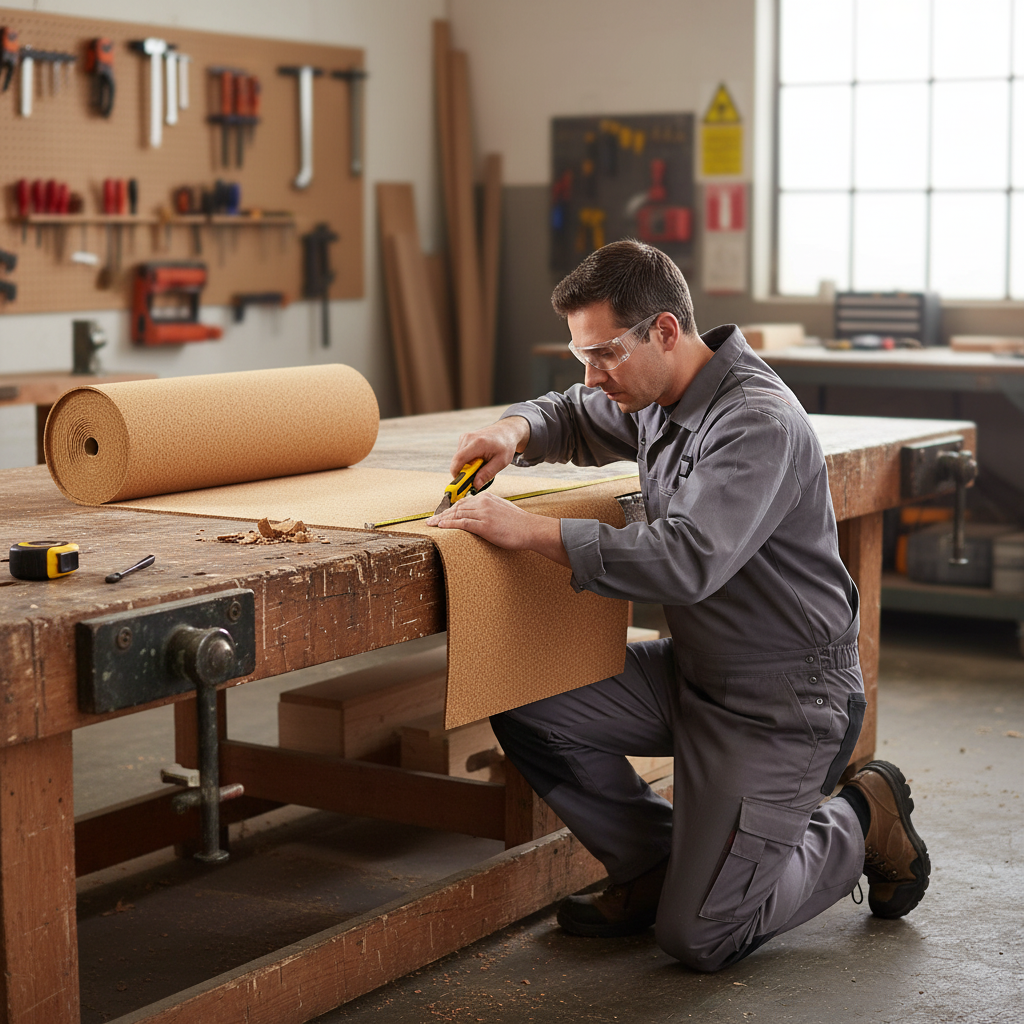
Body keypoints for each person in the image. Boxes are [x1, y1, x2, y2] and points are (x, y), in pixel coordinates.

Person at [425, 239, 930, 971]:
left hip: (782, 700)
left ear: (663, 329)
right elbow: (572, 414)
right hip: (695, 670)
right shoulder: (660, 394)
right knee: (525, 695)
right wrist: (516, 430)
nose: (594, 377)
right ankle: (654, 865)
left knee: (700, 938)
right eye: (582, 357)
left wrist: (527, 529)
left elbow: (686, 561)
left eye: (603, 354)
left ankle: (860, 818)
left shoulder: (756, 422)